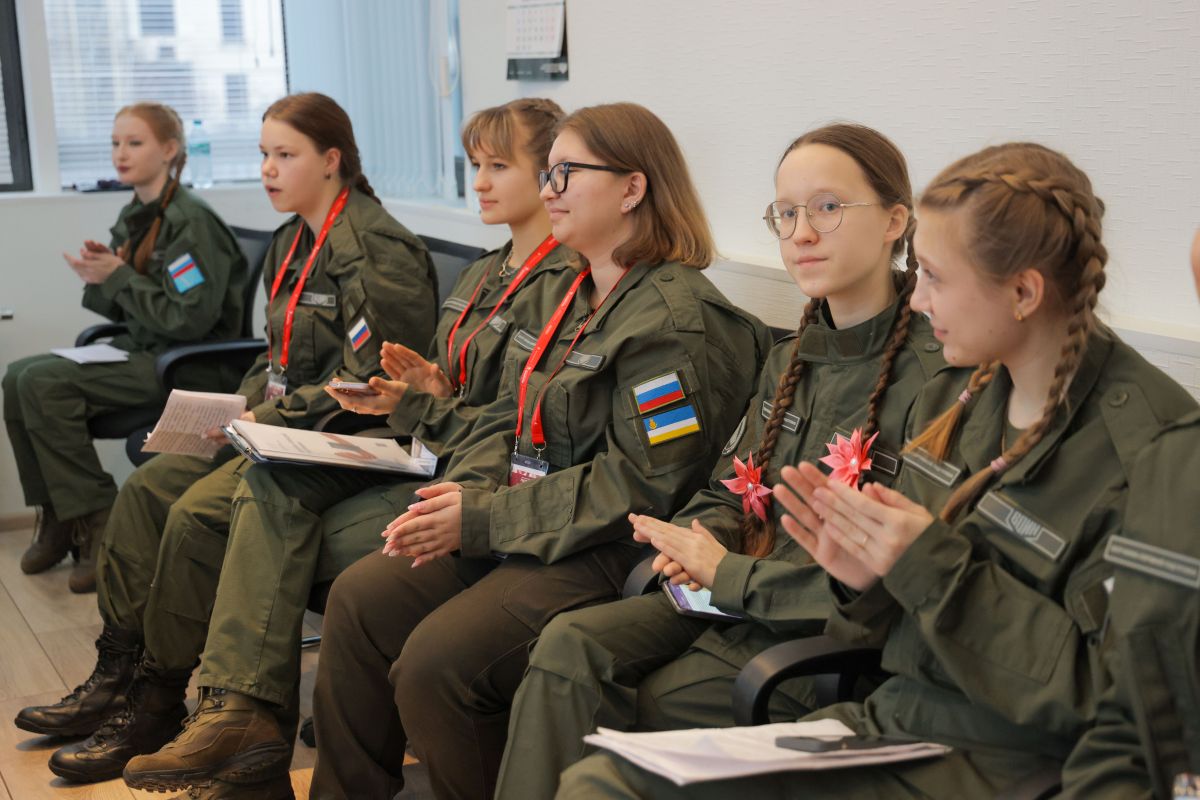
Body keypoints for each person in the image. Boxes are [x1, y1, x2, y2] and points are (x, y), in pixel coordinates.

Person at [555, 143, 1198, 798]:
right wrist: (859, 581)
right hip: (894, 719)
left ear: (1023, 292)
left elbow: (1122, 708)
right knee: (602, 779)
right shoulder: (965, 399)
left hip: (1007, 762)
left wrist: (925, 568)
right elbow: (882, 621)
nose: (918, 301)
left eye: (936, 278)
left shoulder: (1153, 453)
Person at [296, 101, 772, 800]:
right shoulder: (578, 294)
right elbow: (514, 423)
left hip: (611, 549)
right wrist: (469, 495)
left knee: (437, 663)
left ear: (633, 188)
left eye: (566, 173)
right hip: (533, 521)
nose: (549, 190)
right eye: (547, 173)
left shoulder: (676, 320)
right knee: (363, 598)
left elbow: (641, 486)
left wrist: (486, 519)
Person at [113, 98, 580, 800]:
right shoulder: (485, 271)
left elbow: (520, 425)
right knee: (256, 483)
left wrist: (422, 403)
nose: (478, 182)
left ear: (549, 178)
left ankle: (235, 729)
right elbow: (454, 387)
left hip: (457, 470)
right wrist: (426, 388)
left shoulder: (568, 283)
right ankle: (230, 718)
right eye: (473, 166)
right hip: (421, 442)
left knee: (247, 513)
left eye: (497, 167)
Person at [495, 123, 955, 799]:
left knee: (644, 707)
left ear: (894, 221)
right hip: (733, 596)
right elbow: (732, 487)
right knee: (569, 647)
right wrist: (697, 539)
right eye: (786, 213)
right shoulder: (791, 357)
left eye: (828, 207)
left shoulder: (937, 380)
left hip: (812, 630)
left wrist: (727, 571)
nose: (801, 233)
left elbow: (890, 585)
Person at [11, 92, 438, 789]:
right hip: (281, 426)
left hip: (343, 441)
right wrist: (237, 406)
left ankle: (161, 702)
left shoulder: (375, 250)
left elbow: (372, 383)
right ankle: (119, 675)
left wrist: (267, 416)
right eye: (264, 154)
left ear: (331, 160)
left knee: (194, 513)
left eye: (285, 155)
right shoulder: (293, 239)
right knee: (149, 487)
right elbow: (277, 355)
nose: (267, 169)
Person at [3, 102, 248, 592]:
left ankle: (99, 521)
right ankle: (59, 516)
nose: (121, 153)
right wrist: (102, 275)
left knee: (44, 383)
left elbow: (189, 320)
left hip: (186, 365)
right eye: (115, 143)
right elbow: (129, 307)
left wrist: (118, 278)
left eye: (135, 143)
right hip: (146, 350)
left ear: (170, 150)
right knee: (16, 377)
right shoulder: (137, 214)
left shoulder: (190, 222)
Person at [1057, 228, 1200, 800]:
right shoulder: (1177, 462)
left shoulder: (1149, 439)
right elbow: (1132, 714)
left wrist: (933, 568)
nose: (923, 299)